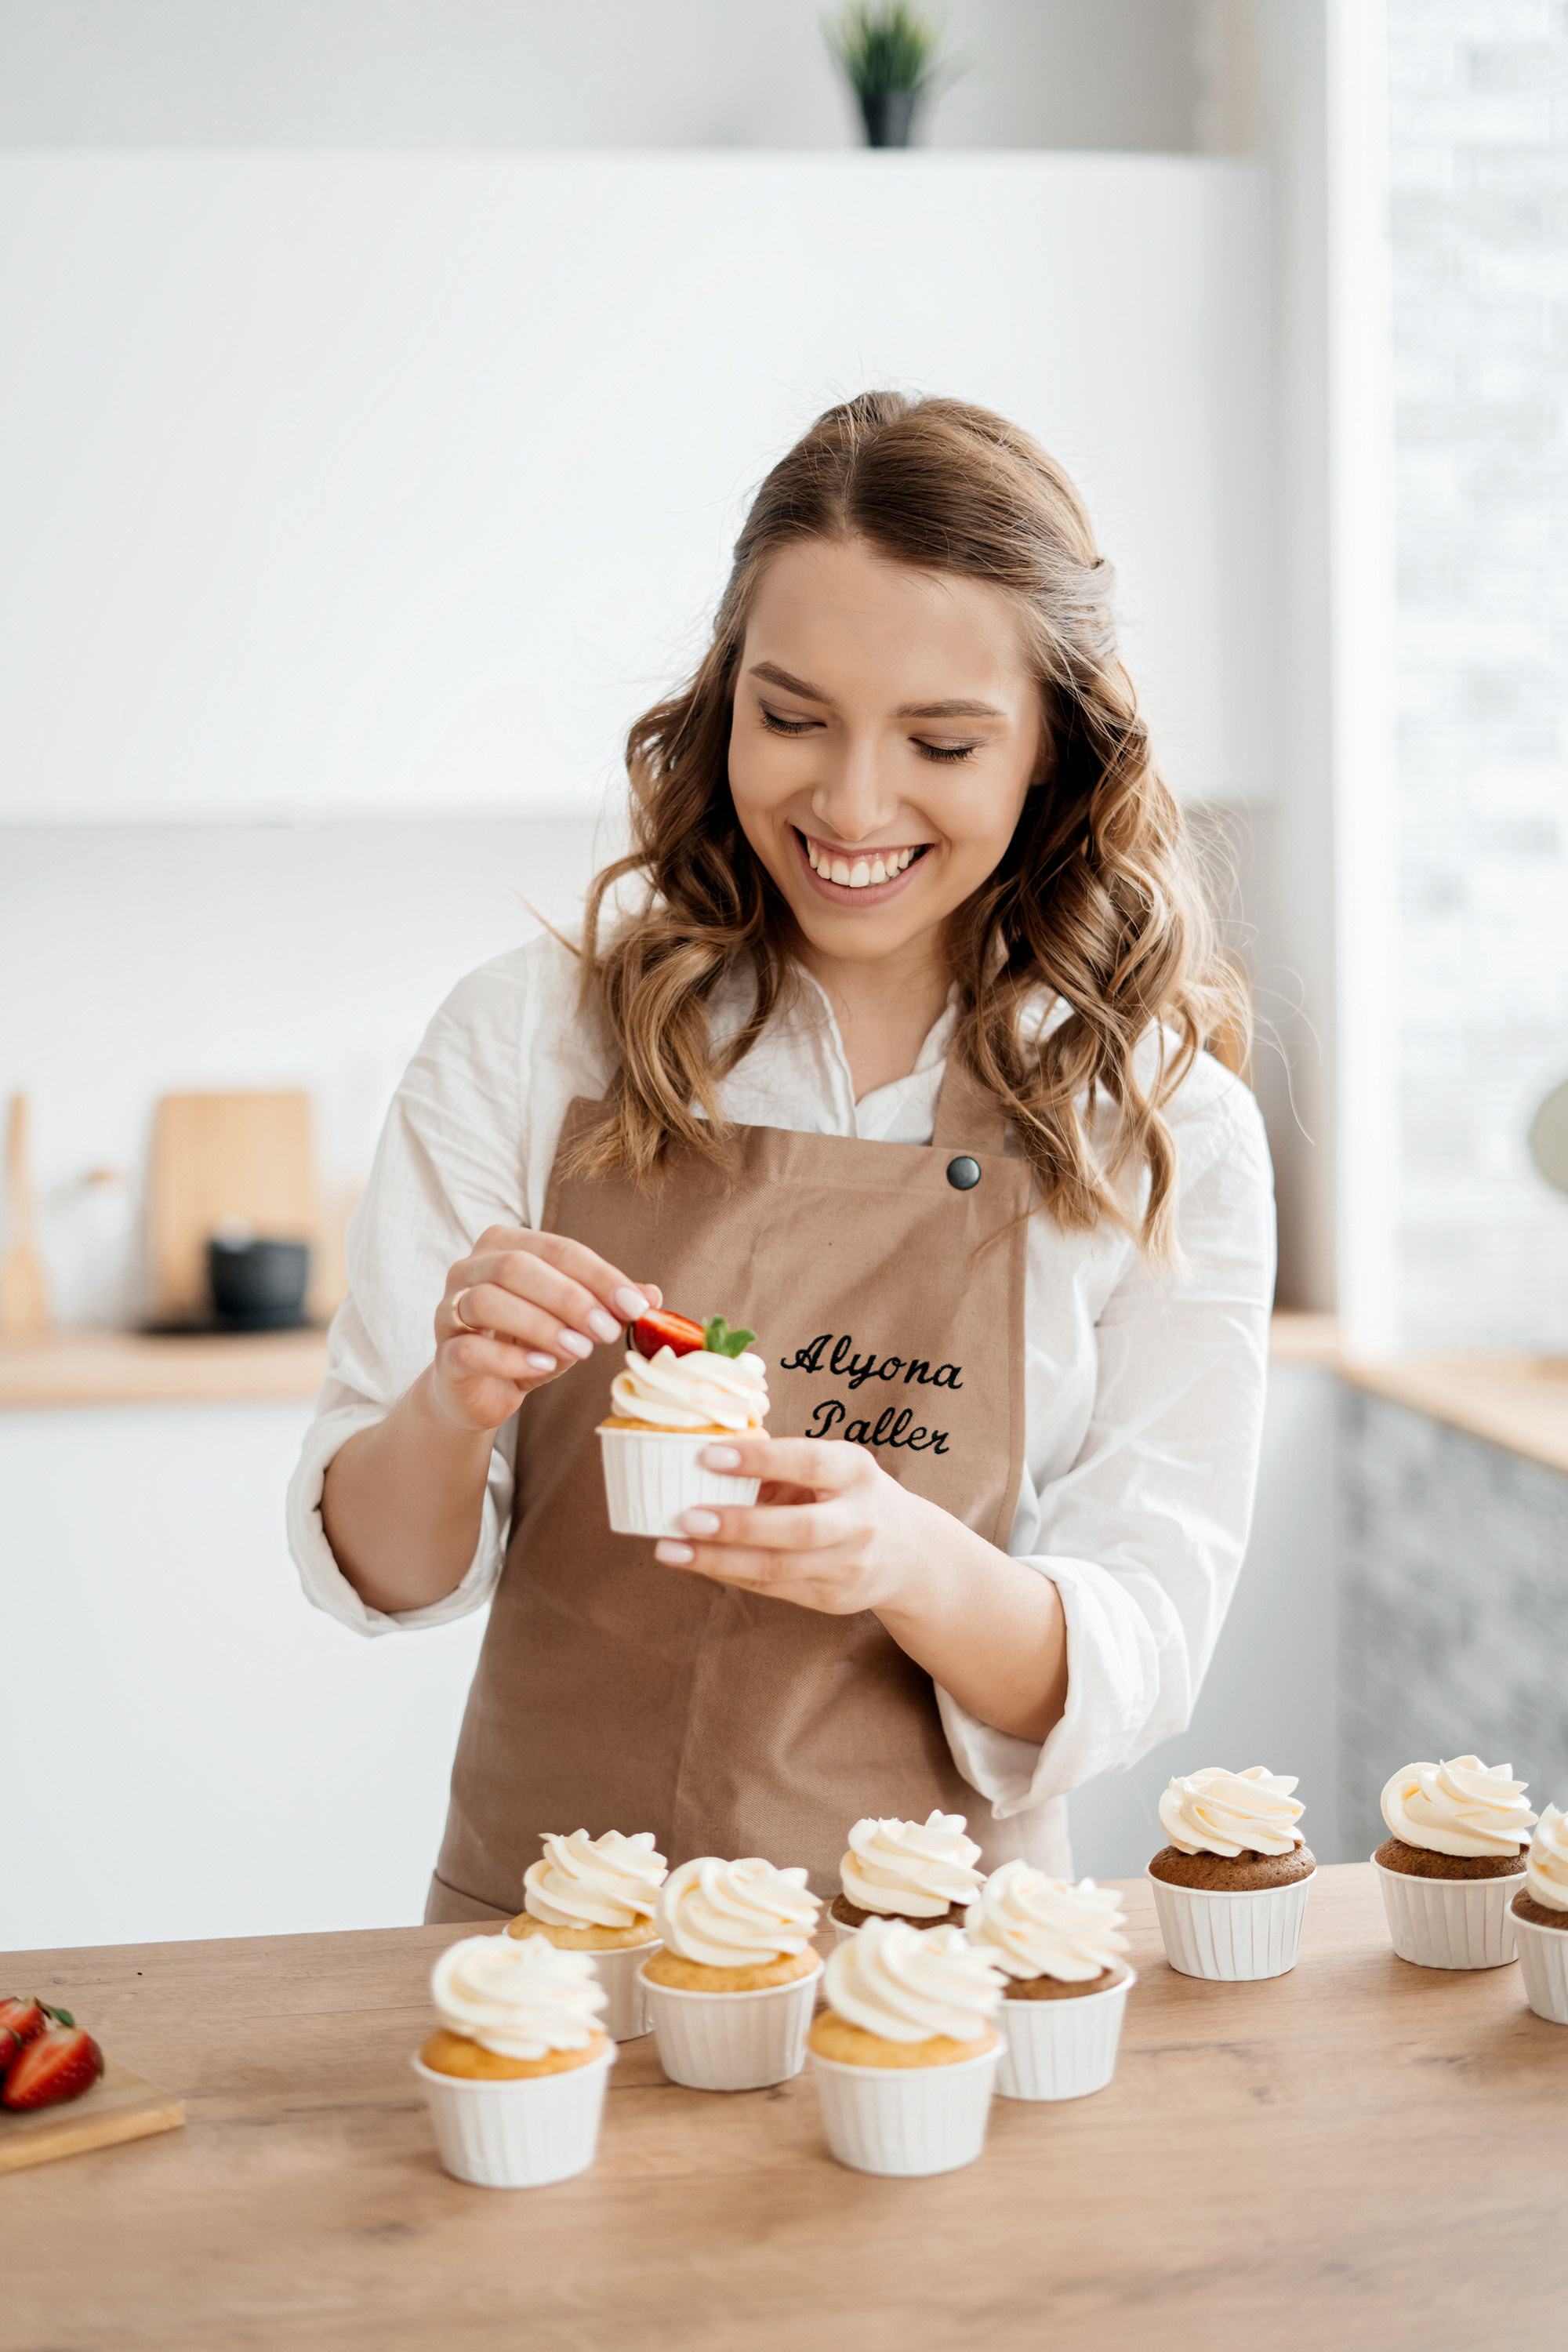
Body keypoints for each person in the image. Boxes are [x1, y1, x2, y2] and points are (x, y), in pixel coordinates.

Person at [286, 392, 1276, 1924]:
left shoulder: (1157, 1123)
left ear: (1052, 751)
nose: (851, 803)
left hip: (947, 1974)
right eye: (792, 717)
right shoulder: (528, 1037)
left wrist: (903, 1561)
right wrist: (450, 1398)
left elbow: (1141, 1645)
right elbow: (382, 1568)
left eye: (942, 741)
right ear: (723, 697)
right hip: (546, 1961)